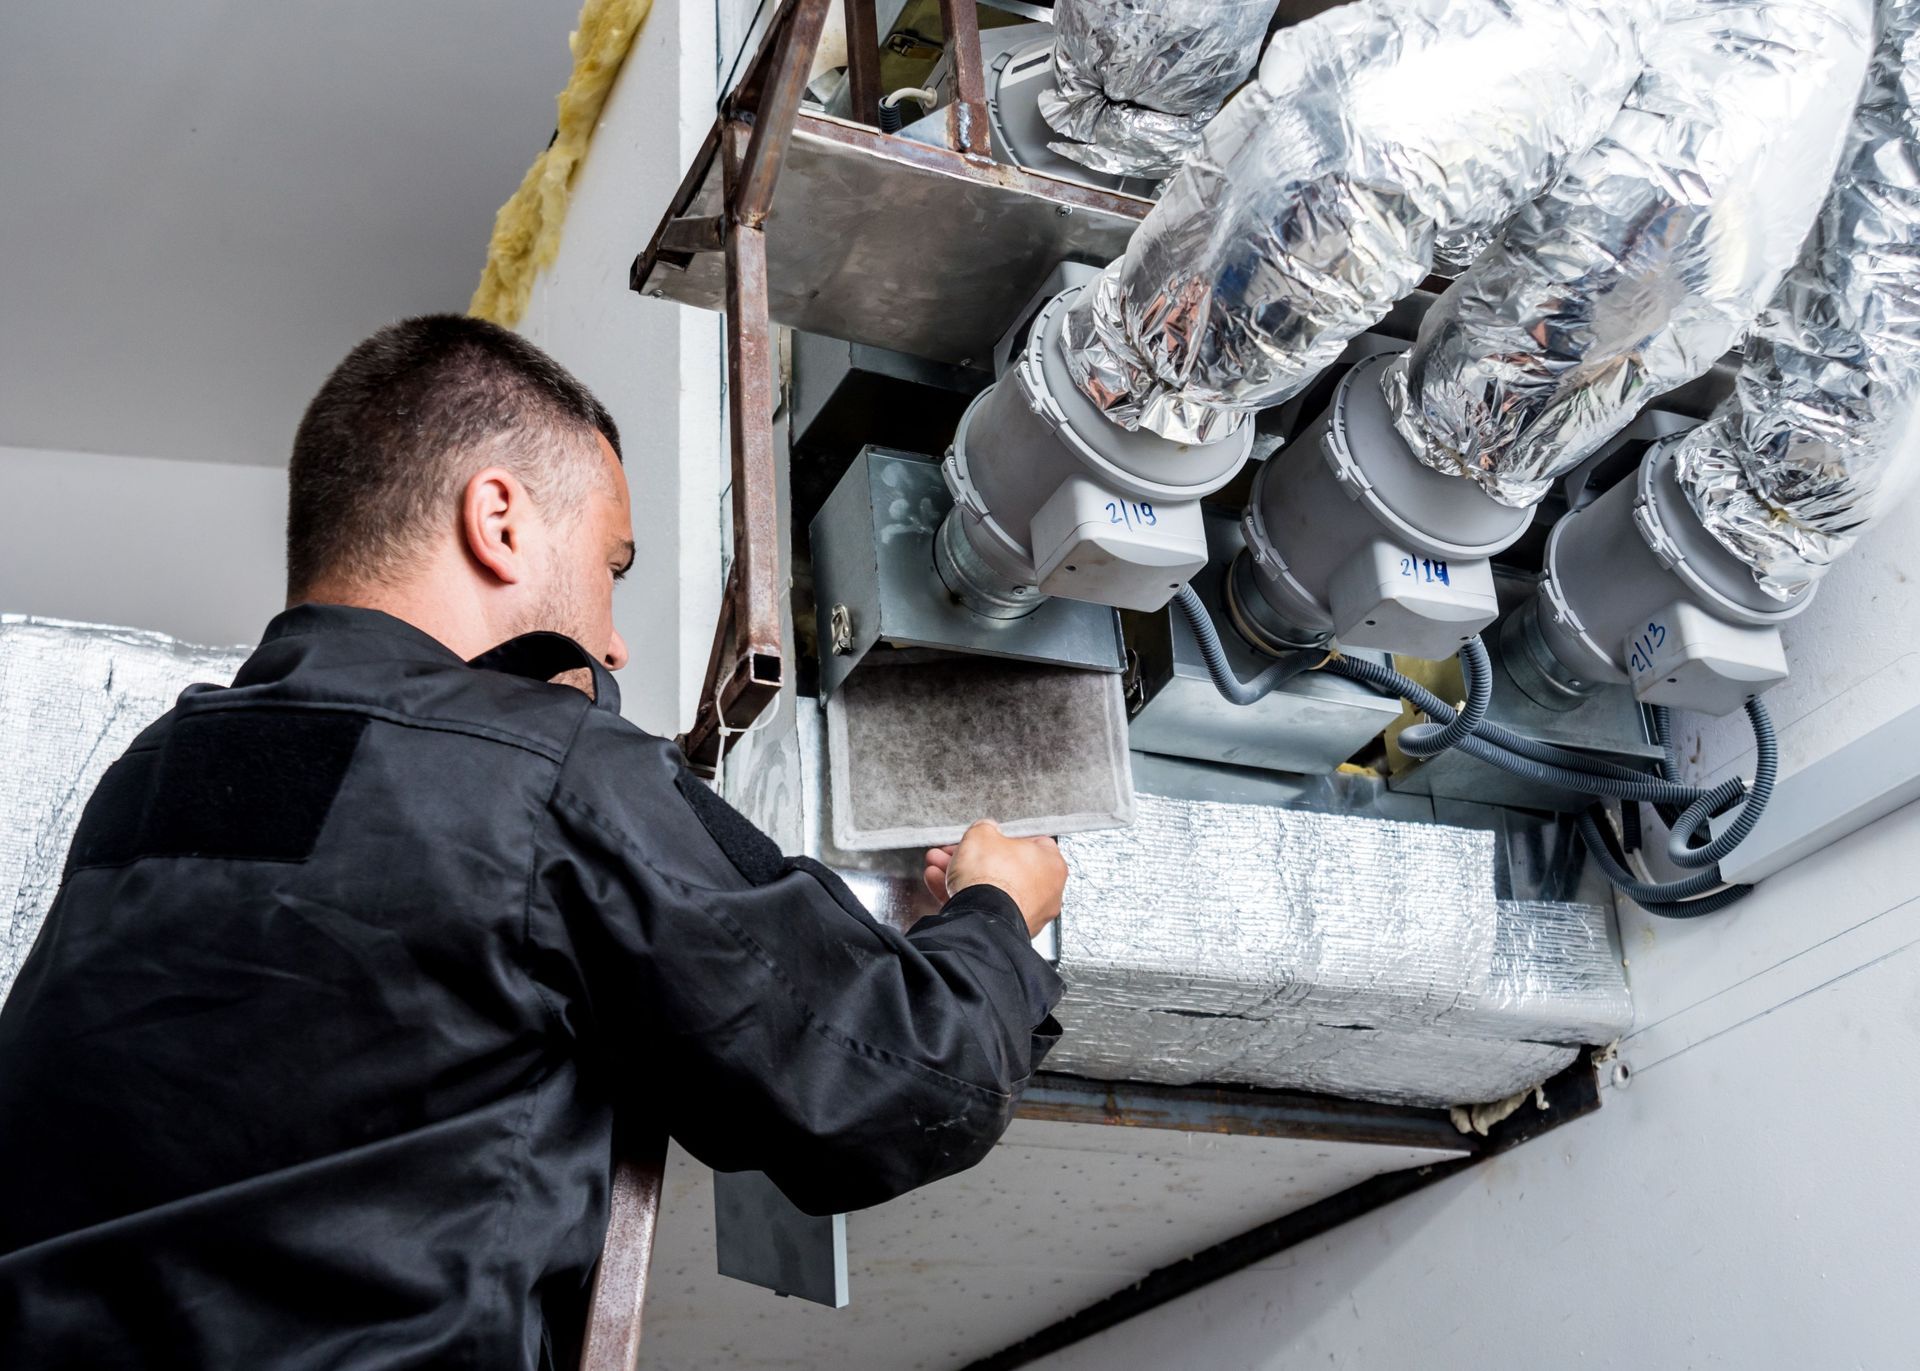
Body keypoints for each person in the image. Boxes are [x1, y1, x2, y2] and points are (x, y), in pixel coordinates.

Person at [0, 315, 1069, 1369]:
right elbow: (898, 1079)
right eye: (612, 566)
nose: (610, 638)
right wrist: (997, 919)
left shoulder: (146, 780)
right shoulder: (542, 768)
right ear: (499, 519)